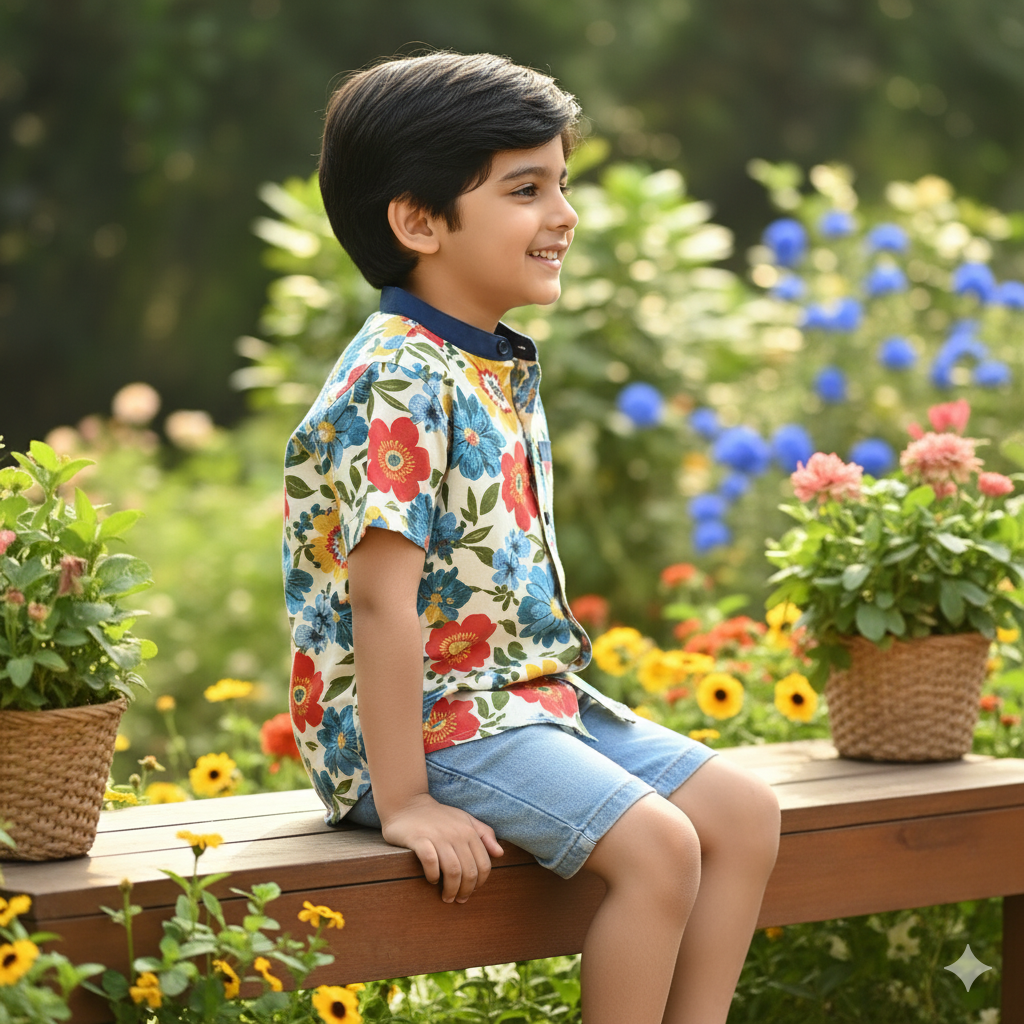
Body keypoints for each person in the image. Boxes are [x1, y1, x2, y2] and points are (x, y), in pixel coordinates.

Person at [283, 50, 781, 1024]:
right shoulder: (396, 376)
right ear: (418, 220)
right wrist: (410, 801)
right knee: (660, 846)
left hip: (516, 701)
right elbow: (379, 598)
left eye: (562, 182)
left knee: (742, 813)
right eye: (525, 188)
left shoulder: (483, 359)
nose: (565, 215)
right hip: (422, 725)